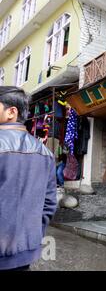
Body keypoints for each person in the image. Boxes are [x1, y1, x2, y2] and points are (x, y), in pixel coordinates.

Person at [0, 87, 57, 271]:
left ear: (11, 112)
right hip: (24, 254)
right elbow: (49, 204)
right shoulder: (46, 153)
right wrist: (30, 237)